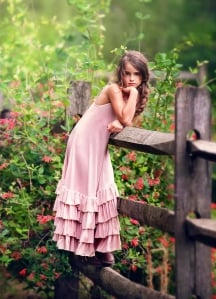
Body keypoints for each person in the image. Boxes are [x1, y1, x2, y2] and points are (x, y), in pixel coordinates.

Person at [53, 50, 150, 266]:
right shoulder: (113, 89)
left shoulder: (126, 94)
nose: (131, 79)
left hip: (98, 144)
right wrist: (132, 98)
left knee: (104, 186)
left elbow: (124, 120)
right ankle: (85, 249)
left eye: (136, 74)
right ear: (120, 74)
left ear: (143, 76)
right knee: (88, 189)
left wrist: (121, 121)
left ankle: (99, 246)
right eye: (127, 73)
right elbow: (126, 117)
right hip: (84, 142)